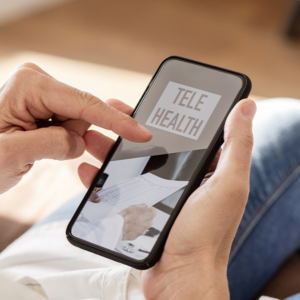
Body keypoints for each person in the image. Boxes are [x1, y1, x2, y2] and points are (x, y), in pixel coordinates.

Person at [0, 62, 299, 299]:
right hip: (155, 279)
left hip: (45, 258)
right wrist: (189, 280)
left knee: (287, 122)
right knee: (291, 124)